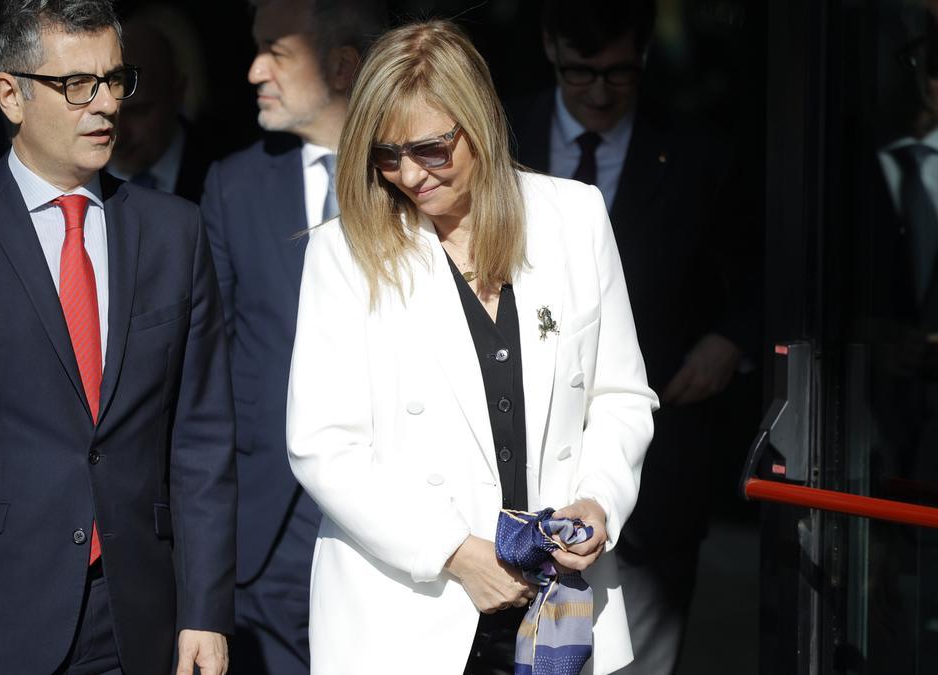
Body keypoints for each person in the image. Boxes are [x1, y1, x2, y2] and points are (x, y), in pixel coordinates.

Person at [286, 19, 657, 675]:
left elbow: (620, 394)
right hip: (407, 614)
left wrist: (599, 499)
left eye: (430, 148)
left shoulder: (575, 217)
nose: (408, 174)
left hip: (560, 603)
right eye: (386, 154)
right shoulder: (344, 253)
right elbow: (322, 443)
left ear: (478, 121)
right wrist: (455, 552)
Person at [0, 1, 235, 673]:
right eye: (77, 85)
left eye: (116, 80)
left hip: (138, 612)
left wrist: (205, 610)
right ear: (10, 94)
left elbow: (201, 436)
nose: (106, 105)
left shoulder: (174, 233)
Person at [508, 2, 760, 671]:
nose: (597, 92)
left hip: (659, 463)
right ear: (548, 44)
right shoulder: (501, 136)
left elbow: (760, 273)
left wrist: (728, 342)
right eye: (580, 72)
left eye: (618, 73)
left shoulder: (701, 153)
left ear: (644, 54)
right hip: (518, 466)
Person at [199, 0, 385, 673]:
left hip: (388, 520)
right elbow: (208, 365)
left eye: (275, 50)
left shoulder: (413, 175)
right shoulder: (234, 185)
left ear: (341, 65)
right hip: (268, 529)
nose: (253, 70)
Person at [106, 14, 211, 202]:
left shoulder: (221, 176)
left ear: (178, 94)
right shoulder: (77, 178)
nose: (118, 135)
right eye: (107, 114)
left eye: (138, 111)